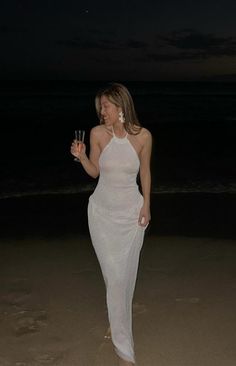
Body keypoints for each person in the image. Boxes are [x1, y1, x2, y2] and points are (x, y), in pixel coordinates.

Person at [71, 83, 152, 366]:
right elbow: (94, 172)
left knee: (124, 276)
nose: (101, 111)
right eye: (100, 107)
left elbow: (145, 172)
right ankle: (122, 345)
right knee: (112, 276)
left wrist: (147, 206)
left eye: (105, 105)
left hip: (131, 216)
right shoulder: (97, 134)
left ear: (120, 105)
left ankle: (119, 337)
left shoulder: (143, 137)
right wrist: (81, 157)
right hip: (102, 215)